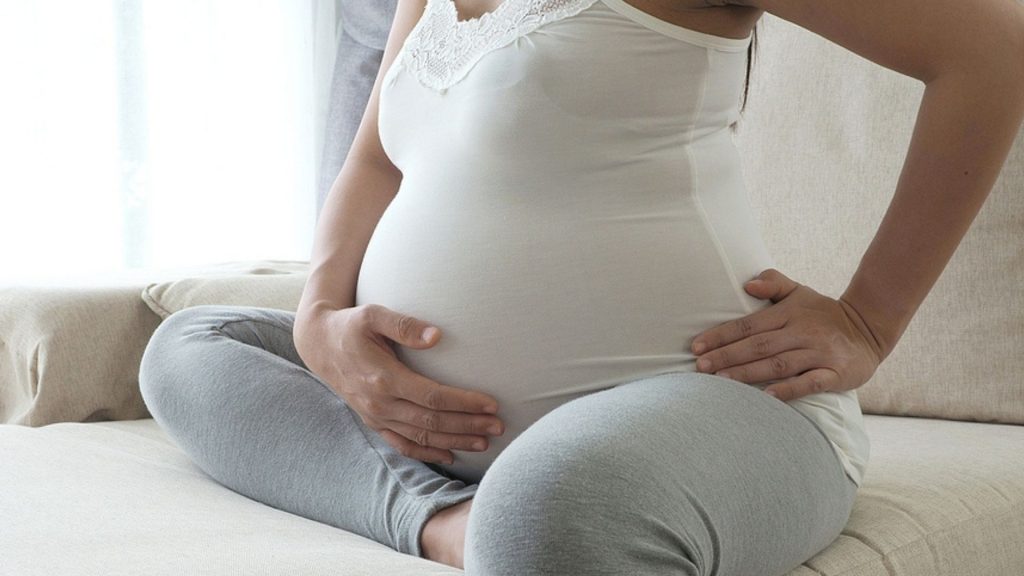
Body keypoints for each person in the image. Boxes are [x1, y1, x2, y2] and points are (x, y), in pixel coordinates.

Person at [138, 0, 1024, 574]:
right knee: (191, 347)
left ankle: (499, 519)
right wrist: (321, 317)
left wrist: (870, 319)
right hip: (436, 440)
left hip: (711, 411)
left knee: (551, 519)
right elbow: (379, 156)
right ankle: (443, 521)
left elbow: (992, 53)